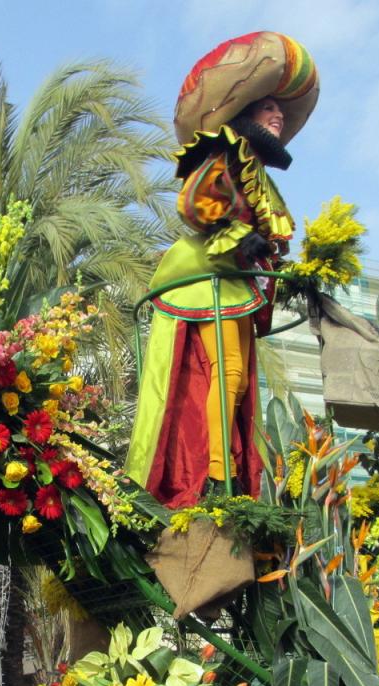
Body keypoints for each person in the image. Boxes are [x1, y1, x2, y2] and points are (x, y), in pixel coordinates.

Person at [126, 32, 319, 507]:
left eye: (280, 110)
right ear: (244, 113)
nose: (278, 117)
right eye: (268, 108)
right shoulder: (225, 148)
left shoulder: (258, 173)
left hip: (232, 285)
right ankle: (217, 474)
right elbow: (195, 202)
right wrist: (240, 236)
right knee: (227, 373)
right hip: (203, 279)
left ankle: (224, 467)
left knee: (235, 379)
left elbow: (266, 243)